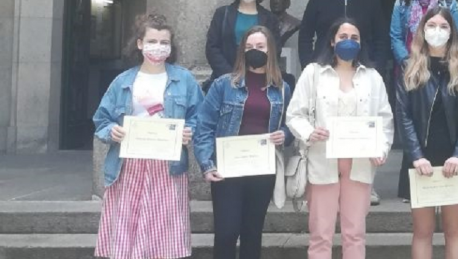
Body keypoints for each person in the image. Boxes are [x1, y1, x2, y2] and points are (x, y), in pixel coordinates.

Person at [94, 14, 202, 259]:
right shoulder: (122, 82)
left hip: (168, 166)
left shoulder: (184, 79)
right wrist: (111, 130)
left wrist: (190, 131)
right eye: (152, 41)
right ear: (140, 44)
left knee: (164, 234)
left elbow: (200, 117)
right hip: (129, 165)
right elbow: (101, 119)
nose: (159, 47)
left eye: (164, 42)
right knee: (126, 231)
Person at [286, 18, 394, 259]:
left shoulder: (373, 77)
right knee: (320, 235)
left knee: (355, 234)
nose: (349, 42)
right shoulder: (313, 73)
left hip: (360, 164)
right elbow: (294, 115)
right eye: (343, 37)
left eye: (354, 38)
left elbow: (385, 119)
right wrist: (308, 132)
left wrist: (382, 149)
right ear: (332, 41)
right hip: (321, 161)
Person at [296, 0, 390, 205]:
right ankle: (323, 185)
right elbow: (305, 35)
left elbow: (381, 37)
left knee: (364, 126)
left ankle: (365, 185)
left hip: (361, 71)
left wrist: (376, 70)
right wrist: (310, 68)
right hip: (324, 71)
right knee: (325, 129)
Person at [194, 25, 295, 259]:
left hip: (262, 169)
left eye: (260, 46)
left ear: (270, 50)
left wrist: (285, 133)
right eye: (249, 47)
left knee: (252, 233)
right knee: (226, 233)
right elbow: (204, 125)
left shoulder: (282, 88)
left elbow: (292, 122)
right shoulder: (223, 85)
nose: (254, 50)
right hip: (227, 170)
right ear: (242, 51)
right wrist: (207, 164)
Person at [396, 7, 458, 259]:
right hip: (420, 157)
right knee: (423, 230)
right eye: (431, 25)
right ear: (422, 30)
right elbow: (403, 114)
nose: (437, 31)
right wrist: (416, 156)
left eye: (443, 26)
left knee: (454, 230)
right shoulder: (408, 67)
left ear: (452, 32)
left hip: (454, 157)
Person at [205, 0, 281, 83]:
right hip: (225, 79)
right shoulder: (222, 14)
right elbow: (212, 47)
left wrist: (257, 72)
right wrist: (229, 75)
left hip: (259, 79)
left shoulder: (270, 19)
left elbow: (274, 50)